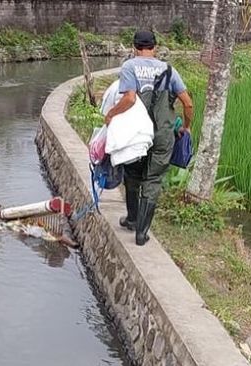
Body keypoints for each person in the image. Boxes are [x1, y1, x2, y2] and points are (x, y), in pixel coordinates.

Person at [104, 30, 194, 246]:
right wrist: (186, 127)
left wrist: (111, 114)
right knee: (153, 180)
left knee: (133, 174)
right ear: (156, 46)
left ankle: (133, 219)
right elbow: (188, 103)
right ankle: (142, 233)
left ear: (134, 47)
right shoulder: (169, 70)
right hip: (163, 135)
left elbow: (129, 98)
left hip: (137, 135)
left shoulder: (129, 67)